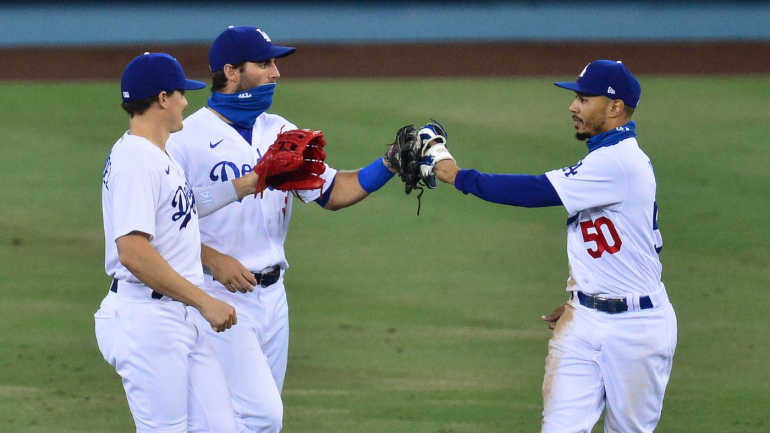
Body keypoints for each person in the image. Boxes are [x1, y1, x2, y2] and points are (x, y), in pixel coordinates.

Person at [166, 26, 400, 433]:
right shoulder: (186, 138)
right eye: (265, 63)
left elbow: (331, 192)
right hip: (215, 294)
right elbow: (161, 223)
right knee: (260, 417)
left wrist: (390, 163)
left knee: (241, 421)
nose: (276, 73)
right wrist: (212, 259)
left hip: (274, 298)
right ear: (232, 72)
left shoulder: (279, 130)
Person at [429, 60, 677, 432]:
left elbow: (534, 191)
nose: (573, 107)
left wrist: (455, 174)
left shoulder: (620, 163)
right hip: (585, 322)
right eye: (575, 98)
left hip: (638, 329)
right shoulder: (604, 159)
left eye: (584, 98)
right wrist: (588, 296)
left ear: (615, 107)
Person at [95, 52, 268, 433]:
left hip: (177, 315)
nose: (186, 102)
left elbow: (186, 204)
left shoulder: (156, 153)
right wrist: (204, 299)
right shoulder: (136, 161)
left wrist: (254, 182)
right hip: (146, 320)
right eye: (180, 94)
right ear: (162, 98)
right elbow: (133, 252)